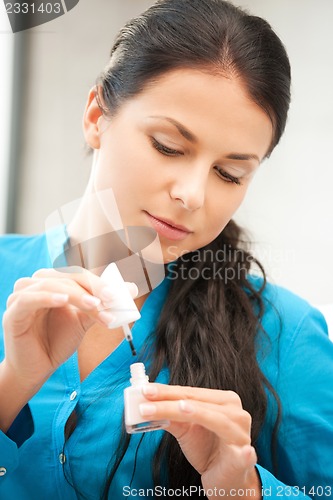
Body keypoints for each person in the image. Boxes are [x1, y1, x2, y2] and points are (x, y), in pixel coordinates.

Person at [0, 0, 332, 498]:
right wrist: (12, 383)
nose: (192, 195)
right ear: (96, 115)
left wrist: (244, 490)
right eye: (168, 146)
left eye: (229, 173)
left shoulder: (286, 334)